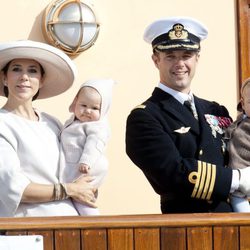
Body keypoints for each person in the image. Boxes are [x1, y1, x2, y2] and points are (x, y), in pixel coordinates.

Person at [125, 16, 250, 213]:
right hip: (185, 227)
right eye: (170, 56)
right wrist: (239, 179)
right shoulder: (145, 117)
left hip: (231, 222)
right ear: (156, 60)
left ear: (197, 58)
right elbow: (172, 173)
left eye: (186, 55)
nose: (180, 63)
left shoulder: (216, 110)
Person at [0, 40, 97, 217]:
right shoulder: (2, 124)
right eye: (16, 69)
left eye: (32, 70)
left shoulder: (52, 123)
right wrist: (69, 190)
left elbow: (73, 168)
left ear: (41, 80)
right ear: (4, 77)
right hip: (29, 229)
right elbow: (13, 188)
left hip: (72, 224)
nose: (24, 77)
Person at [60, 78, 115, 215]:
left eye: (95, 108)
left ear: (103, 110)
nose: (87, 111)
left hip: (87, 166)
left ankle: (92, 221)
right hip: (76, 165)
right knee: (77, 195)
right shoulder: (74, 122)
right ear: (75, 102)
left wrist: (86, 161)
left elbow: (94, 144)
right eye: (83, 105)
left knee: (83, 198)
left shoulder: (97, 126)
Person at [224, 77, 250, 212]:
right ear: (243, 104)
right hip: (235, 179)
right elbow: (230, 131)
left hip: (247, 174)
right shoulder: (240, 120)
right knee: (239, 208)